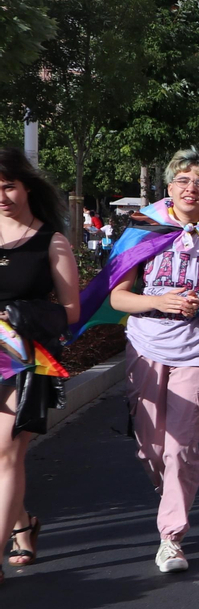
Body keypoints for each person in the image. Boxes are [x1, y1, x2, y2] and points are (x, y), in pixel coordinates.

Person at [109, 151, 199, 577]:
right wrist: (157, 302)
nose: (191, 188)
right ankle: (171, 493)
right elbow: (118, 297)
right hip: (146, 350)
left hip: (197, 354)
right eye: (183, 180)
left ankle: (171, 536)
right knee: (151, 449)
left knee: (180, 448)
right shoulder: (143, 230)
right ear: (169, 187)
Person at [0, 149, 80, 577]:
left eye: (8, 185)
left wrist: (19, 314)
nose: (2, 196)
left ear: (26, 186)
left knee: (6, 451)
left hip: (24, 356)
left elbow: (69, 310)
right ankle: (22, 525)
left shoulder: (51, 240)